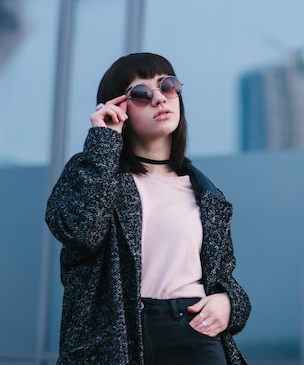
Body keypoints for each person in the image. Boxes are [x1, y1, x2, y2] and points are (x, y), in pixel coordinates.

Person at [45, 52, 251, 364]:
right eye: (141, 93)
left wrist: (229, 303)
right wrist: (104, 140)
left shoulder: (207, 193)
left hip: (194, 331)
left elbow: (223, 276)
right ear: (117, 107)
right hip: (117, 337)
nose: (160, 99)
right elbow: (80, 232)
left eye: (167, 86)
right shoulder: (92, 172)